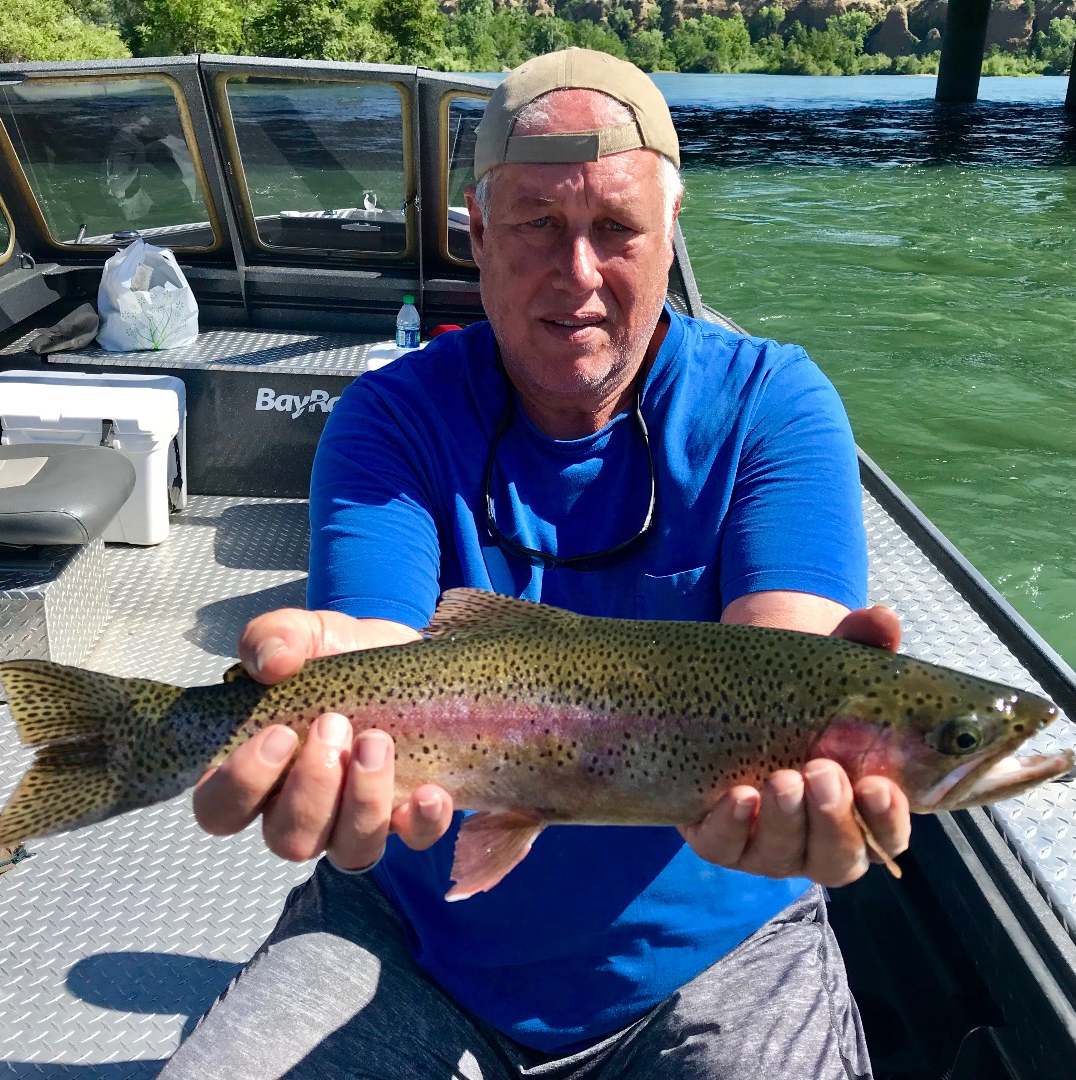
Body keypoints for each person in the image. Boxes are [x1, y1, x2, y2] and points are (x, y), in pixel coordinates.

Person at [161, 48, 910, 1080]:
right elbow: (373, 642)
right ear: (476, 232)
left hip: (720, 949)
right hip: (414, 939)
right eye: (537, 227)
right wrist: (316, 688)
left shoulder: (771, 408)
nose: (581, 273)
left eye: (617, 228)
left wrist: (814, 749)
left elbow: (787, 661)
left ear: (670, 228)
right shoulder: (392, 417)